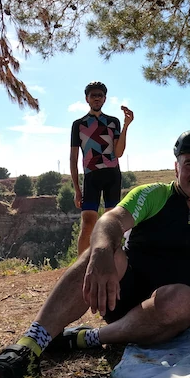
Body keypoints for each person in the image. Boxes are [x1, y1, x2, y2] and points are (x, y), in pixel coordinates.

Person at [0, 125, 190, 378]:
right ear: (176, 166)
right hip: (116, 293)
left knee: (183, 299)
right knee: (102, 254)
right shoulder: (153, 194)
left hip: (167, 311)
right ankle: (28, 347)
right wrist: (101, 253)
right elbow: (110, 220)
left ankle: (85, 338)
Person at [70, 80, 135, 256]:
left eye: (100, 95)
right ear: (87, 99)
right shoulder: (79, 124)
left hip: (112, 175)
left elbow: (119, 152)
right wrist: (76, 189)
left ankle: (112, 263)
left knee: (111, 224)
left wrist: (127, 125)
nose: (97, 98)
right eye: (93, 95)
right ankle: (81, 269)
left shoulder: (113, 122)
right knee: (88, 223)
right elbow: (73, 158)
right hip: (91, 176)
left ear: (105, 99)